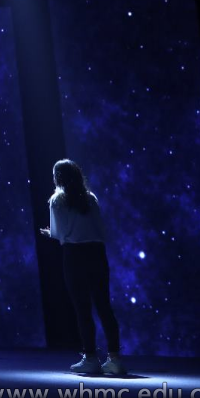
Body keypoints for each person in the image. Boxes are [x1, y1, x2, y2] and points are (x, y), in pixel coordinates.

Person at [39, 159, 126, 376]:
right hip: (97, 252)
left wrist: (50, 233)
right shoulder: (91, 198)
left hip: (74, 254)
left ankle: (90, 358)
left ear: (58, 178)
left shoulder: (57, 200)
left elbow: (60, 234)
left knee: (82, 308)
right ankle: (115, 359)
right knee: (104, 306)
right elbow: (100, 229)